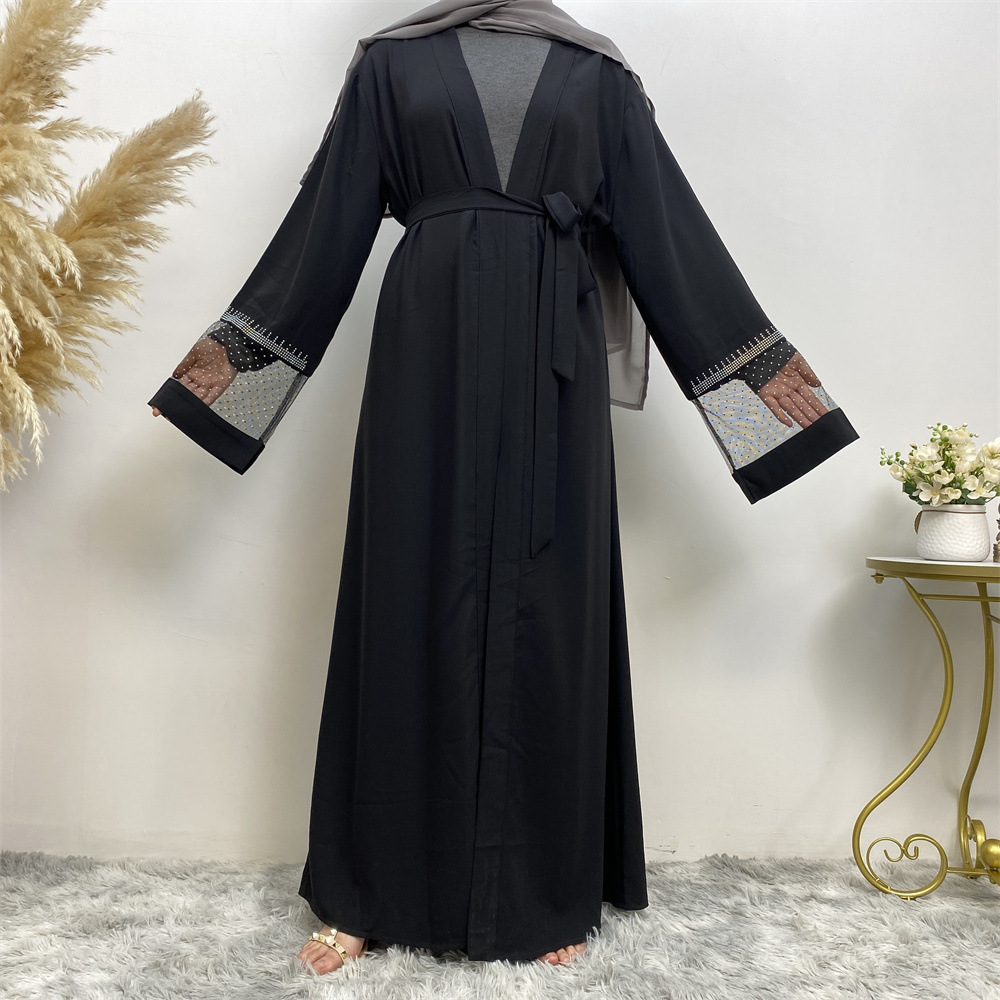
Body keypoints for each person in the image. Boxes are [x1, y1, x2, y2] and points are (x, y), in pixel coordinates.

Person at [149, 0, 858, 974]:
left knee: (548, 610)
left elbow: (670, 237)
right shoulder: (390, 65)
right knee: (405, 599)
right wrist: (221, 376)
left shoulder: (601, 75)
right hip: (425, 355)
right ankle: (366, 891)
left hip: (550, 363)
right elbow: (324, 229)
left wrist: (773, 396)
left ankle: (545, 889)